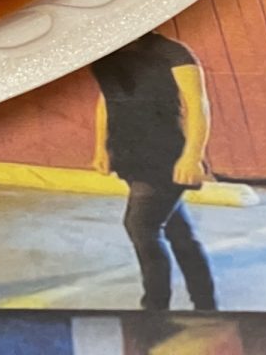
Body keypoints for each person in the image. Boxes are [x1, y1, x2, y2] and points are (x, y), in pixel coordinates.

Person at [90, 30, 219, 312]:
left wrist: (192, 157)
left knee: (141, 226)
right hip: (129, 152)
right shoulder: (107, 47)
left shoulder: (172, 52)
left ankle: (155, 308)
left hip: (166, 154)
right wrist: (101, 147)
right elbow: (107, 99)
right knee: (178, 232)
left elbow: (198, 105)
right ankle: (206, 303)